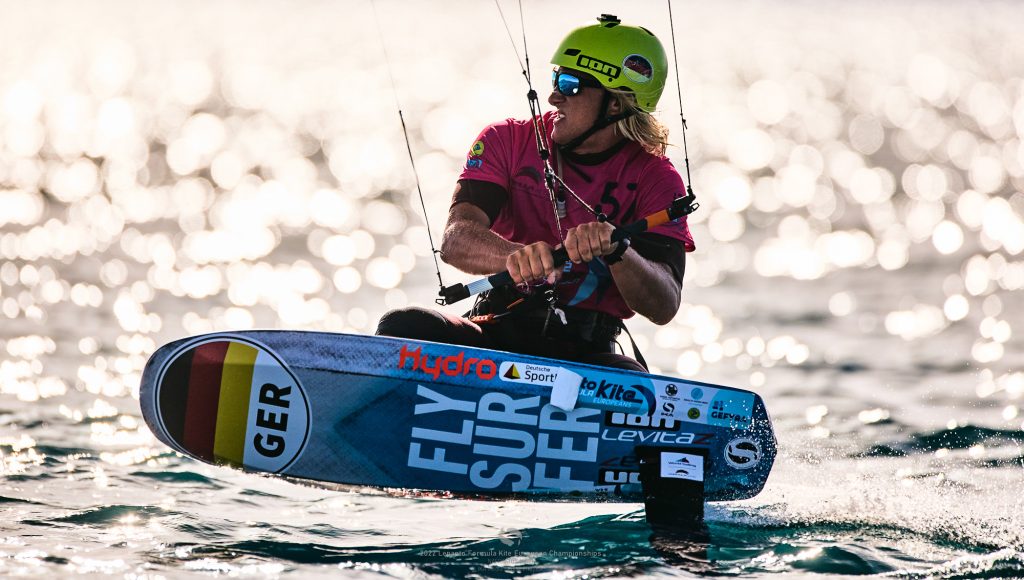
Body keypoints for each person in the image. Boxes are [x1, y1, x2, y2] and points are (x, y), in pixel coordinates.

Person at [376, 14, 695, 372]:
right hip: (496, 331)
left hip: (586, 354)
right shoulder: (506, 140)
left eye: (571, 84)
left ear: (616, 103)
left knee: (631, 380)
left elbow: (664, 304)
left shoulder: (657, 178)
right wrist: (516, 256)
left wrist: (619, 250)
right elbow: (455, 240)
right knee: (403, 325)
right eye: (556, 77)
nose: (553, 95)